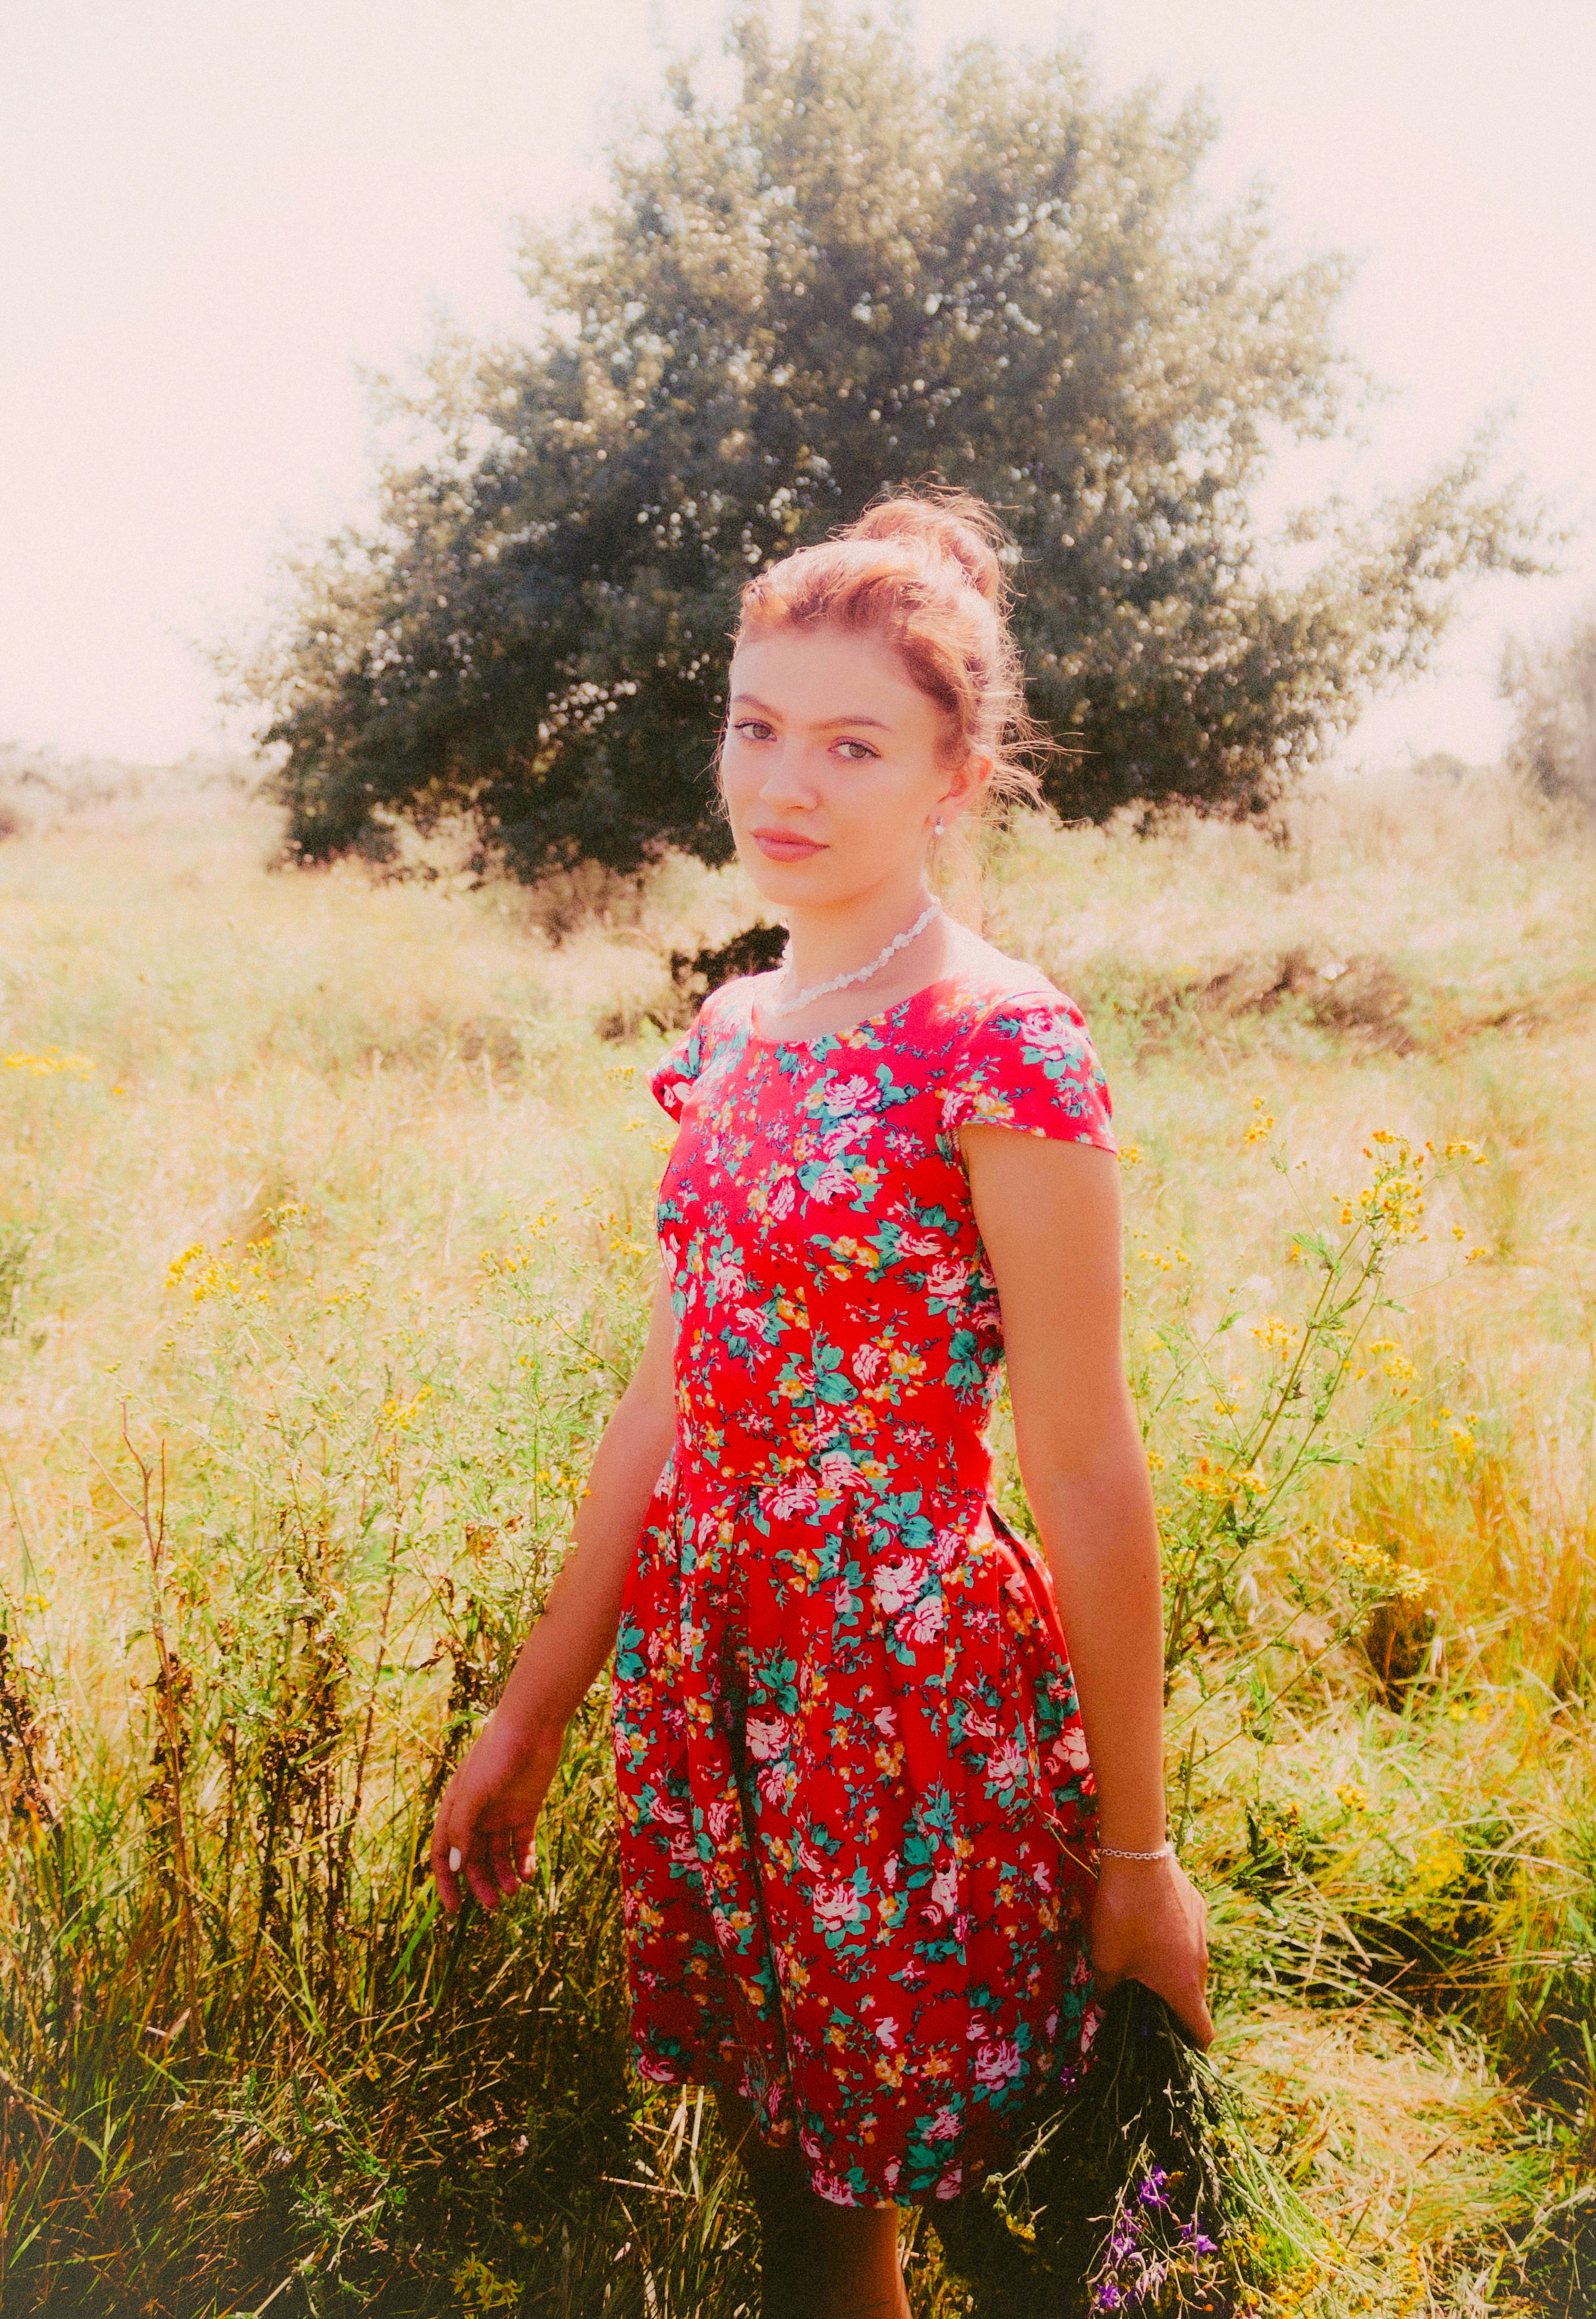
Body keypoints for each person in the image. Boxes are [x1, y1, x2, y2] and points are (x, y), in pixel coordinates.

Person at [431, 488, 1213, 2319]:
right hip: (716, 1678)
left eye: (852, 744)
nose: (785, 783)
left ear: (954, 774)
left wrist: (1140, 1852)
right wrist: (538, 1709)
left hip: (899, 1693)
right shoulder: (731, 1031)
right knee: (805, 2189)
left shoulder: (999, 1042)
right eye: (756, 726)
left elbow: (1086, 1459)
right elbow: (666, 1401)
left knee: (950, 2207)